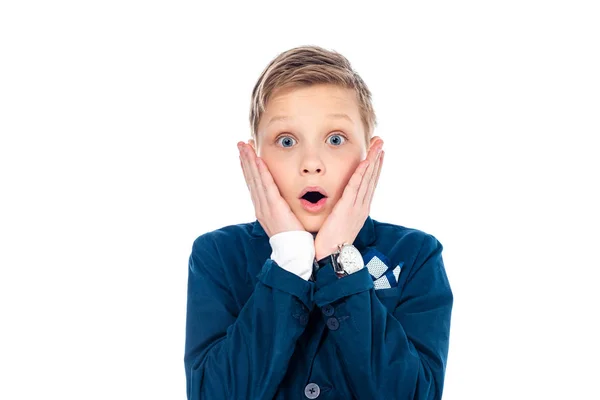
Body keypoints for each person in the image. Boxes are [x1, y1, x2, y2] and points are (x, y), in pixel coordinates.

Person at [184, 45, 453, 400]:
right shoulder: (217, 255)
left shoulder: (417, 254)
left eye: (335, 139)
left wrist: (339, 260)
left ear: (369, 154)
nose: (311, 163)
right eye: (287, 140)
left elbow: (414, 394)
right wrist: (290, 259)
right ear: (255, 158)